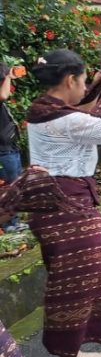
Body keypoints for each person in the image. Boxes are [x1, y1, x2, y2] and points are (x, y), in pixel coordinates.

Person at [26, 49, 101, 357]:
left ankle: (74, 346)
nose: (85, 85)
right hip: (67, 207)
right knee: (75, 282)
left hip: (56, 205)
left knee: (94, 267)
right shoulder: (64, 119)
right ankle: (69, 355)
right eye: (84, 79)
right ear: (70, 79)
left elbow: (81, 110)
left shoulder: (42, 109)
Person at [0, 62, 24, 233]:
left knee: (14, 184)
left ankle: (13, 221)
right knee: (8, 186)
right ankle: (8, 224)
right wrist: (8, 76)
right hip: (2, 149)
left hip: (9, 146)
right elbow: (3, 95)